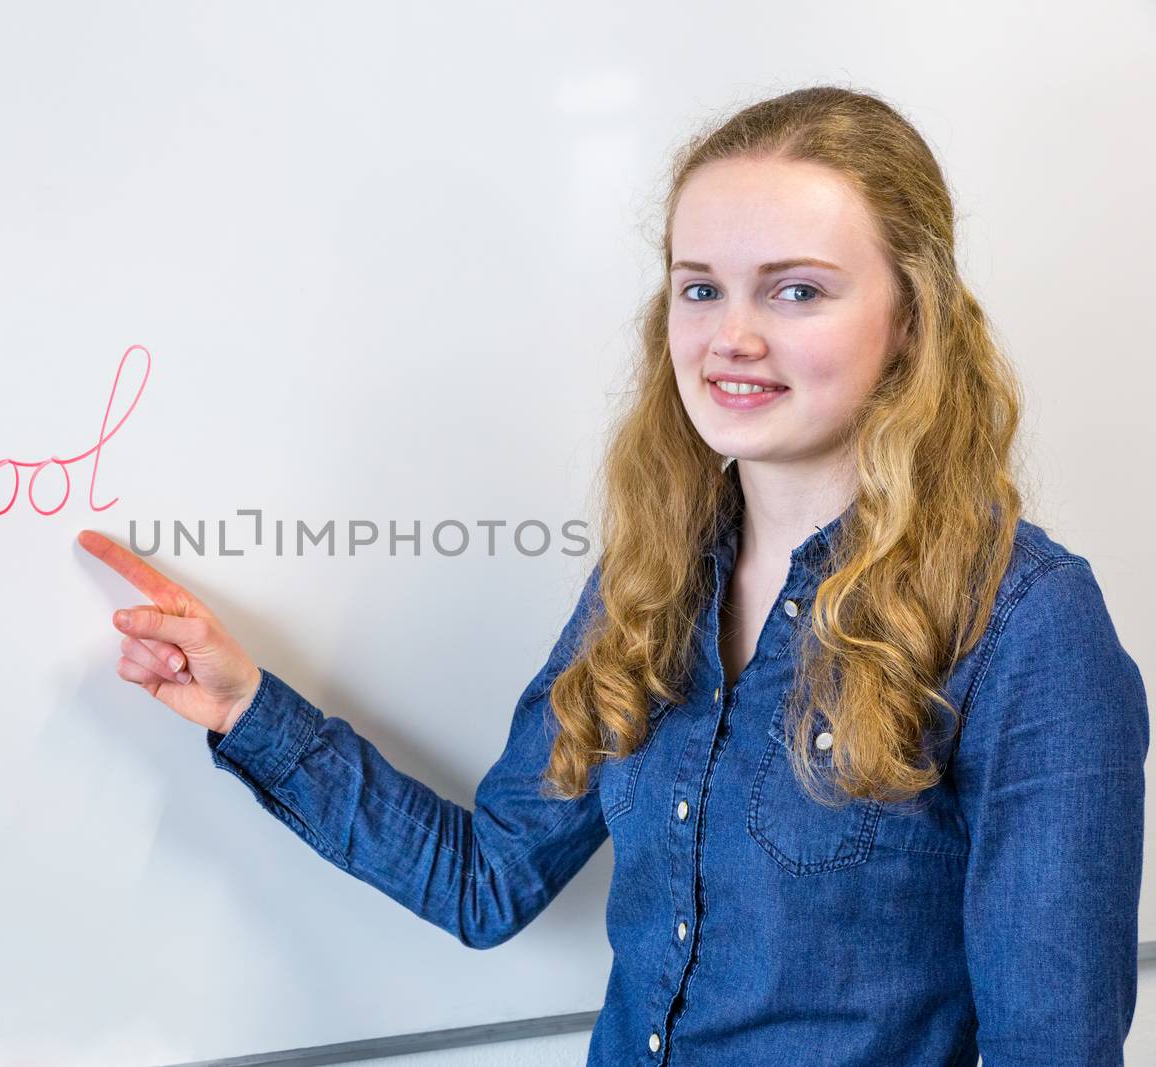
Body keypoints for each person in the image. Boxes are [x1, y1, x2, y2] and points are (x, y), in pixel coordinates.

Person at [76, 85, 1149, 1065]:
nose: (731, 337)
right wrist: (245, 705)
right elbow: (486, 875)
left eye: (796, 291)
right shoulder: (650, 578)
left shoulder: (1024, 623)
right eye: (700, 287)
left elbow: (1050, 1050)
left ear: (909, 319)